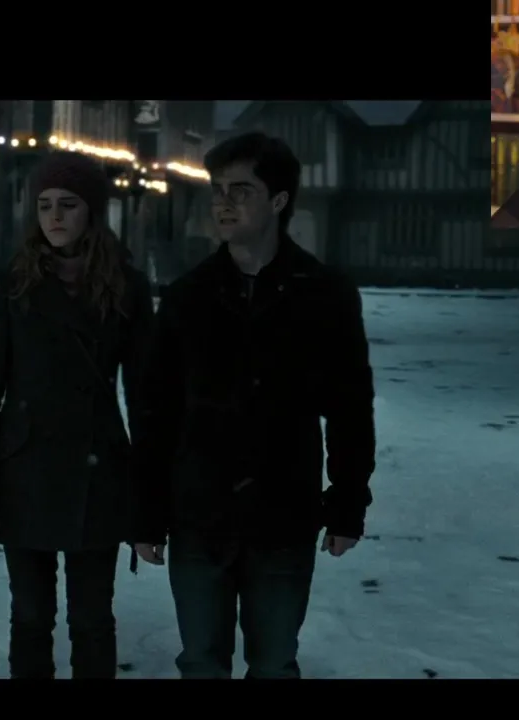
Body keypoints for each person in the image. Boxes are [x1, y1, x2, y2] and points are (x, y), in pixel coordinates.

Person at [130, 132, 377, 679]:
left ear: (279, 200)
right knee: (201, 662)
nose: (223, 202)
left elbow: (350, 408)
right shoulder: (187, 297)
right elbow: (156, 413)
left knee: (273, 661)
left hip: (283, 513)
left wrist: (347, 502)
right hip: (199, 512)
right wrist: (146, 512)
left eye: (240, 190)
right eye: (218, 190)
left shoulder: (323, 295)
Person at [0, 151, 155, 679]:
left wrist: (148, 497)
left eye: (68, 204)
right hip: (24, 470)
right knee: (30, 614)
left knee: (92, 618)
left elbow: (145, 398)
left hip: (98, 471)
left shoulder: (125, 286)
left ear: (92, 211)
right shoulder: (11, 284)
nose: (55, 216)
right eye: (44, 205)